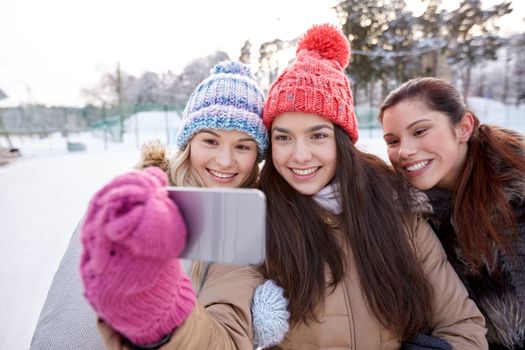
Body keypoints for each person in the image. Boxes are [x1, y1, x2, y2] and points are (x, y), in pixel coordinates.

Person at [90, 25, 488, 349]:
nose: (299, 155)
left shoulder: (397, 207)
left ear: (342, 141)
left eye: (317, 136)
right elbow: (225, 337)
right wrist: (159, 313)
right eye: (283, 137)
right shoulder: (254, 220)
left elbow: (462, 324)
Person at [32, 60, 288, 350]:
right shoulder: (131, 199)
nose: (225, 161)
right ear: (189, 142)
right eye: (210, 141)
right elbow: (65, 310)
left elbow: (226, 337)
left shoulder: (242, 227)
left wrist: (159, 306)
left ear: (257, 157)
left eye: (242, 146)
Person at [380, 77, 525, 349]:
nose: (405, 151)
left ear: (464, 127)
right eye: (392, 140)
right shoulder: (410, 219)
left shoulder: (518, 198)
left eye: (420, 131)